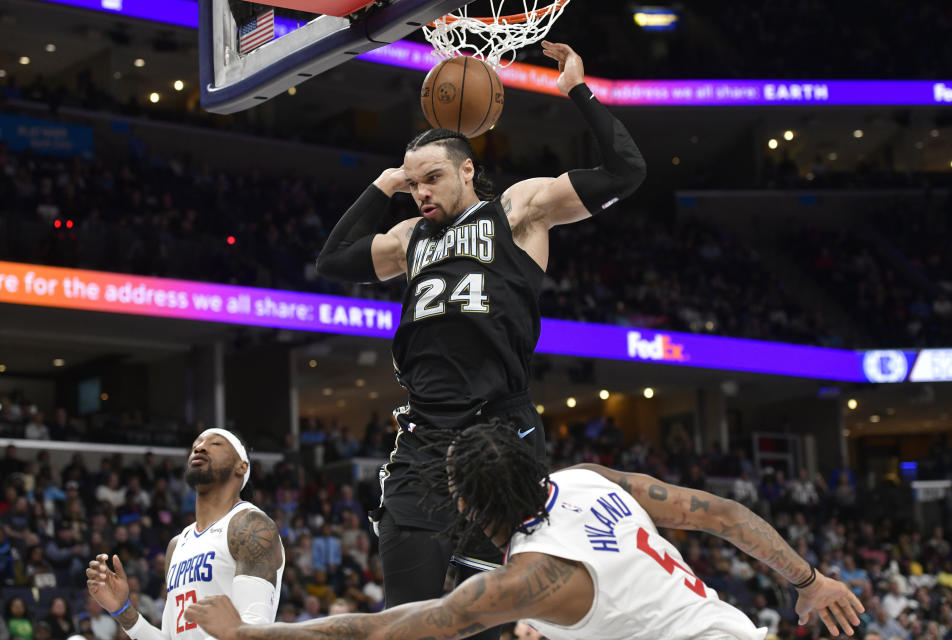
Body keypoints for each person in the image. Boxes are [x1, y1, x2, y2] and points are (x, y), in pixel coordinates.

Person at [314, 40, 646, 636]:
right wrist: (382, 184)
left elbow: (627, 171)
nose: (423, 193)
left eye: (433, 178)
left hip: (498, 432)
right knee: (405, 619)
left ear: (468, 169)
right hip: (421, 437)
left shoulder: (517, 212)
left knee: (487, 620)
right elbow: (332, 261)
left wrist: (576, 89)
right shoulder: (410, 236)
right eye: (415, 184)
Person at [186, 421, 864, 640]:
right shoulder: (587, 478)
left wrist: (253, 634)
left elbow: (384, 629)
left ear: (478, 509)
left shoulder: (532, 577)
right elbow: (722, 515)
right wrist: (808, 580)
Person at [85, 428, 285, 639]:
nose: (200, 447)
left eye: (215, 444)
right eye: (195, 446)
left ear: (241, 466)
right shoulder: (177, 544)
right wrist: (123, 610)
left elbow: (254, 630)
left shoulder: (249, 525)